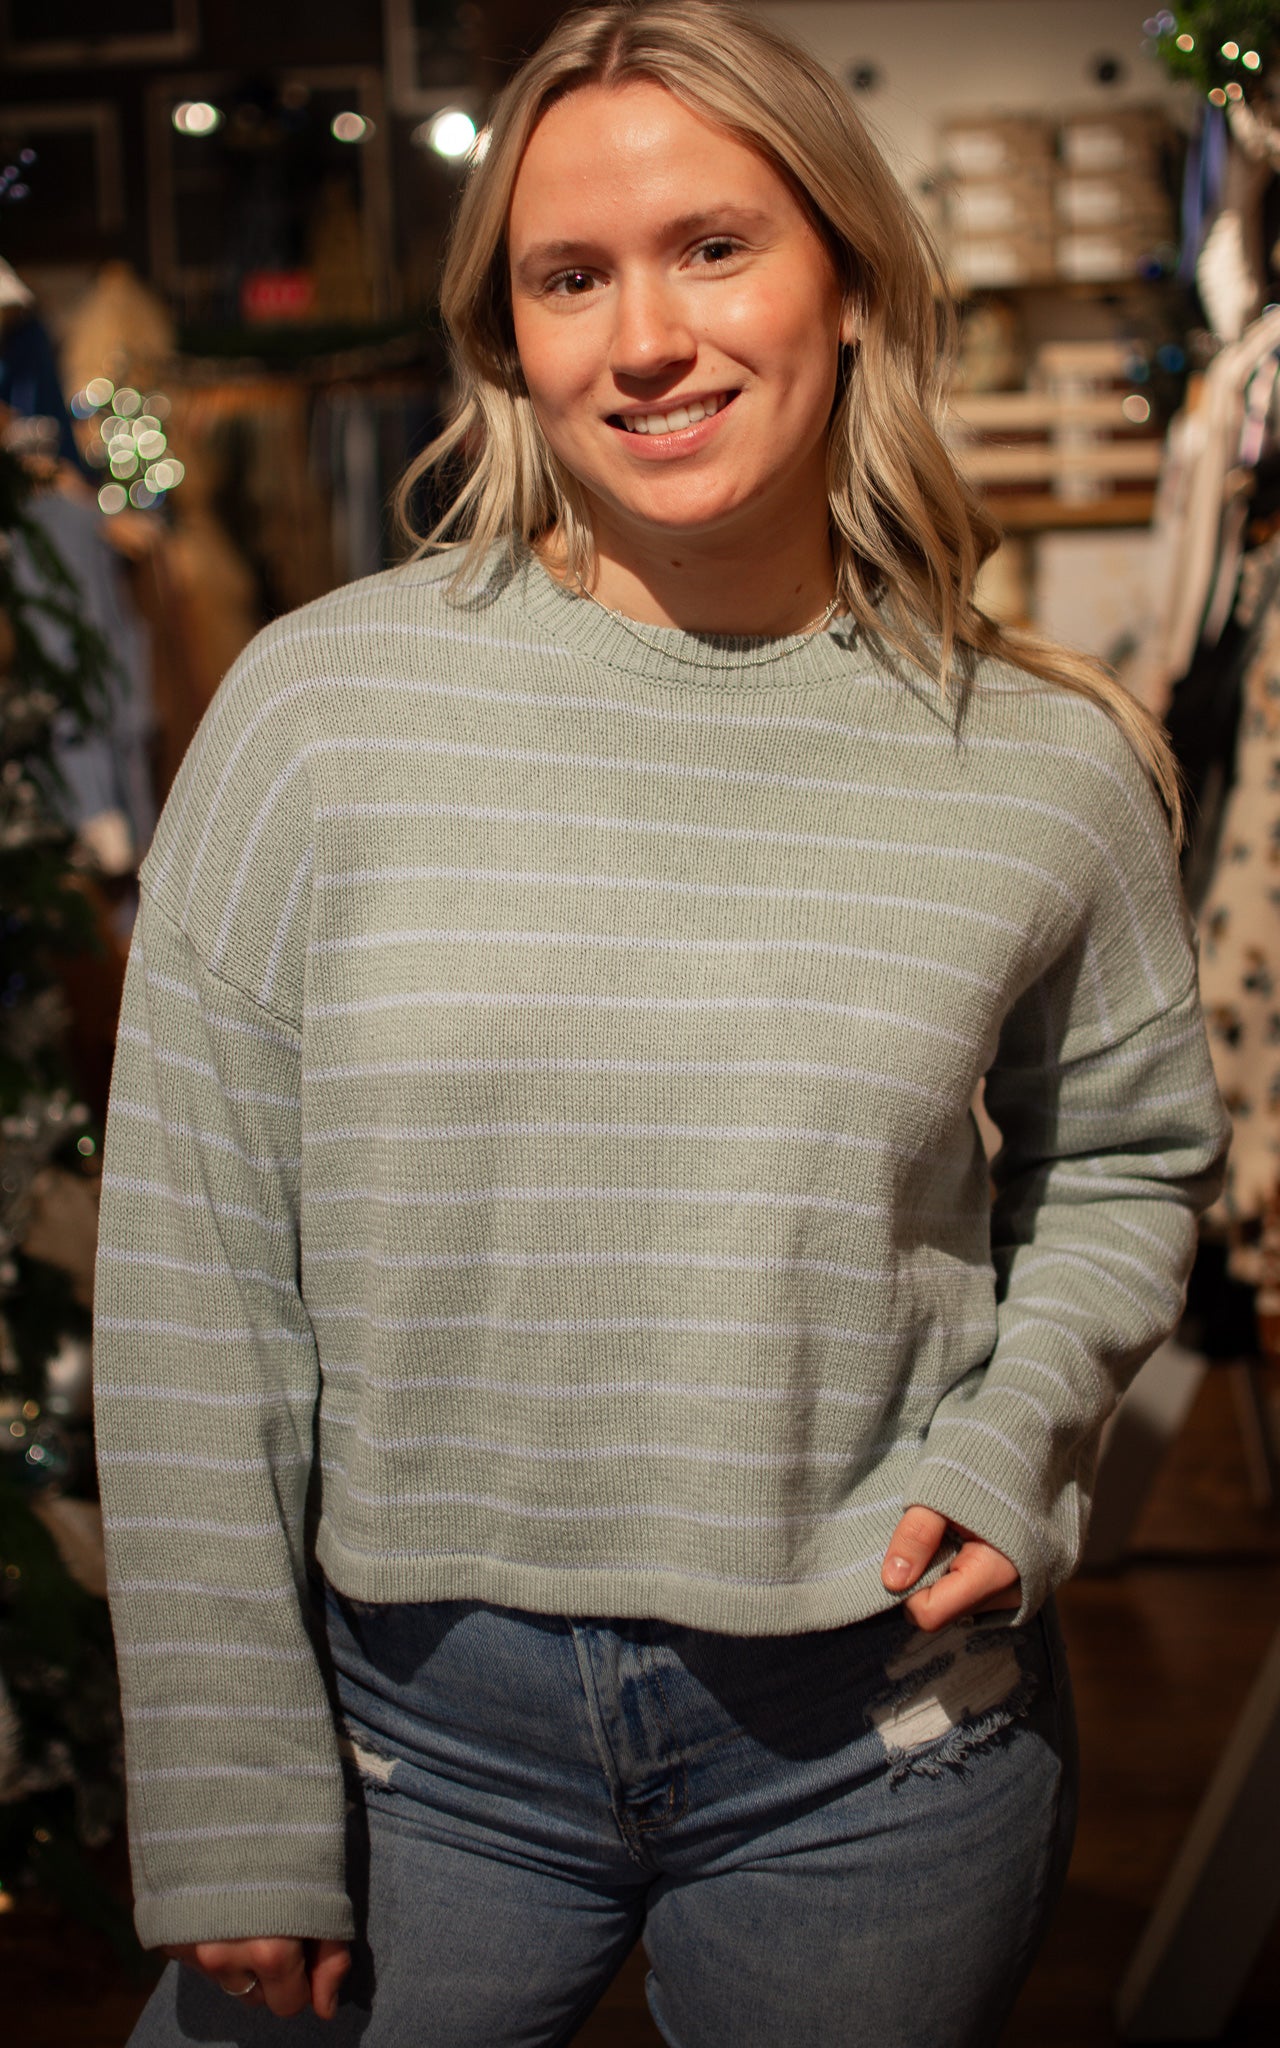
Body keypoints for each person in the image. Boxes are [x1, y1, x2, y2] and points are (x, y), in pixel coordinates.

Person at [95, 5, 1229, 2043]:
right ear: (508, 335)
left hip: (883, 1747)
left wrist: (1012, 1445)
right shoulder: (319, 717)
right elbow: (195, 1277)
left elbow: (1130, 1159)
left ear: (849, 280)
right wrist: (228, 1786)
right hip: (411, 1752)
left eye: (713, 247)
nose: (645, 339)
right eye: (570, 276)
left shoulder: (1039, 761)